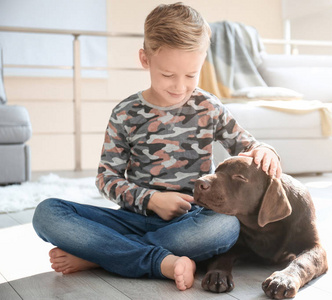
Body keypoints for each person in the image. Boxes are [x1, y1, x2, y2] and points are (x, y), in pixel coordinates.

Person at [32, 2, 282, 291]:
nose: (179, 86)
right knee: (47, 213)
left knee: (225, 227)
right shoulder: (125, 113)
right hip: (132, 219)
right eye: (167, 75)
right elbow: (106, 178)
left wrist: (266, 151)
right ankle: (152, 259)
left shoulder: (208, 107)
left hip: (192, 222)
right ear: (145, 59)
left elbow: (248, 145)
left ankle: (103, 256)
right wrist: (150, 199)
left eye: (191, 75)